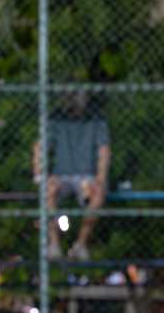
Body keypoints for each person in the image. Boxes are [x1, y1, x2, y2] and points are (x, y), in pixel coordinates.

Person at [30, 92, 110, 261]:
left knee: (97, 195)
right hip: (62, 175)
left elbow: (104, 150)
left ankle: (80, 244)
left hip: (86, 176)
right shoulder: (57, 118)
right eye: (69, 94)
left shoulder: (96, 119)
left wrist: (100, 178)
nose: (73, 98)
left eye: (77, 94)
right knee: (48, 191)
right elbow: (40, 147)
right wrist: (42, 175)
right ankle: (54, 245)